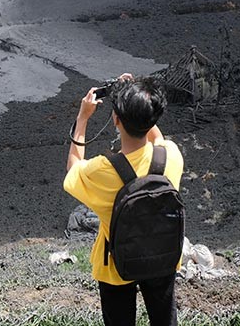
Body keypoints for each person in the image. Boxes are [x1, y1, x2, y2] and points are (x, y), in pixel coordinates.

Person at [64, 74, 184, 326]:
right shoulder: (171, 156)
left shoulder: (101, 171)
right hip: (162, 256)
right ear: (153, 118)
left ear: (116, 120)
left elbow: (72, 168)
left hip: (115, 265)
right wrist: (139, 101)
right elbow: (157, 140)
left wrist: (83, 117)